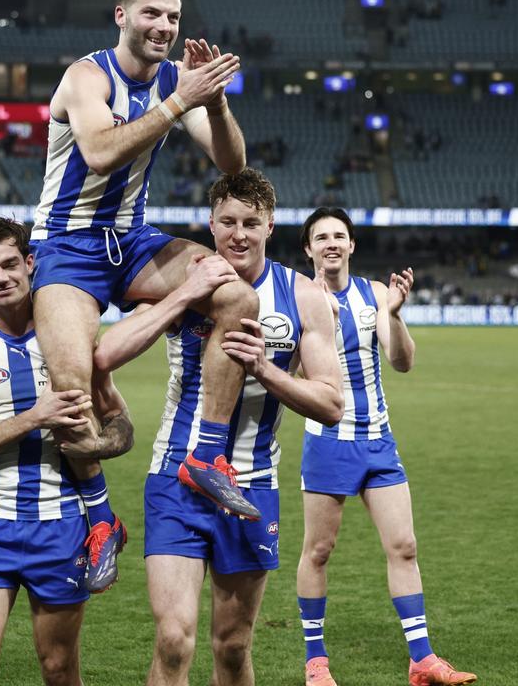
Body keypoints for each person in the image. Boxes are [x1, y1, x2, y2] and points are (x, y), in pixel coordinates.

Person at [93, 169, 344, 686]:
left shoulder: (302, 297)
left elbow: (331, 404)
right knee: (173, 639)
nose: (239, 234)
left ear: (270, 226)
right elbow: (105, 353)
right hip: (175, 475)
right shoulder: (183, 276)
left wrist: (266, 369)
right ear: (210, 224)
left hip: (249, 485)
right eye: (227, 221)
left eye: (251, 223)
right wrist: (185, 294)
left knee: (231, 648)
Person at [32, 0, 259, 522]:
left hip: (131, 241)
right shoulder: (86, 77)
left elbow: (233, 166)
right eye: (151, 13)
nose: (163, 26)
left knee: (238, 296)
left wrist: (215, 99)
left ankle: (206, 456)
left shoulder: (171, 80)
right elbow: (100, 153)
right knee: (69, 393)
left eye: (173, 17)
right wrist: (180, 99)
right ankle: (100, 515)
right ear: (121, 16)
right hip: (66, 243)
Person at [0, 218, 133, 686]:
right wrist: (34, 417)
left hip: (62, 529)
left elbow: (121, 425)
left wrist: (99, 444)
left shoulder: (69, 341)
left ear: (29, 264)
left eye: (10, 265)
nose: (1, 277)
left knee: (59, 668)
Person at [296, 207, 476, 686]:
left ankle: (422, 660)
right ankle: (316, 663)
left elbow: (402, 362)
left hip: (378, 440)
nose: (331, 243)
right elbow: (293, 374)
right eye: (321, 237)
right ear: (308, 248)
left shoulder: (373, 294)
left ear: (352, 245)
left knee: (405, 545)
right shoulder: (297, 298)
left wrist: (394, 316)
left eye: (339, 235)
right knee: (318, 551)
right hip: (328, 440)